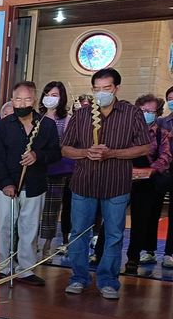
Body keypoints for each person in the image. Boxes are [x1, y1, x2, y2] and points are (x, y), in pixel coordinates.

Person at [60, 67, 150, 300]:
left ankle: (108, 280)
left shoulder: (131, 113)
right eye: (97, 89)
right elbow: (65, 148)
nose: (101, 93)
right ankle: (78, 278)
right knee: (79, 232)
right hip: (84, 183)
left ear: (116, 88)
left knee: (114, 233)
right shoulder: (82, 115)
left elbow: (145, 147)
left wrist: (113, 153)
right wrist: (85, 152)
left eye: (106, 88)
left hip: (116, 184)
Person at [0, 81, 61, 286]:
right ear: (12, 101)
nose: (22, 103)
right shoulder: (4, 125)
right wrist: (5, 183)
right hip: (6, 187)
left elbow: (56, 153)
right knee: (3, 227)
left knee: (29, 228)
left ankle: (26, 270)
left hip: (34, 185)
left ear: (34, 100)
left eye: (27, 99)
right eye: (18, 99)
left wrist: (37, 155)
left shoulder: (47, 125)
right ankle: (2, 267)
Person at [124, 94, 171, 273]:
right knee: (113, 218)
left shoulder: (161, 133)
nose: (147, 114)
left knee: (140, 221)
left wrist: (150, 170)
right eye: (144, 111)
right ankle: (99, 252)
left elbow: (166, 156)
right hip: (124, 179)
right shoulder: (128, 131)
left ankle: (133, 259)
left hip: (147, 181)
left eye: (151, 111)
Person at [37, 82, 73, 256]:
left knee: (51, 211)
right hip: (36, 170)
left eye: (55, 95)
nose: (50, 98)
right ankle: (30, 247)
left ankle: (46, 250)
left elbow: (68, 145)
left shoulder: (67, 119)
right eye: (48, 94)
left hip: (57, 172)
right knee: (33, 211)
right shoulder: (36, 117)